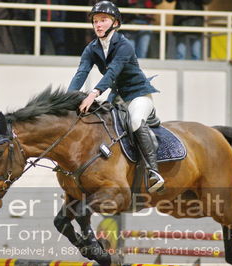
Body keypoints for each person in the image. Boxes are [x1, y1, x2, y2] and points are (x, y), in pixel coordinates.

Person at [67, 0, 164, 193]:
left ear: (115, 23)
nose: (98, 24)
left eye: (103, 20)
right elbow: (81, 73)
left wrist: (93, 94)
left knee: (135, 121)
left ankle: (154, 172)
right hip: (117, 96)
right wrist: (67, 99)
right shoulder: (91, 48)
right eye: (95, 21)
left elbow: (112, 73)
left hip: (138, 94)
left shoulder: (124, 45)